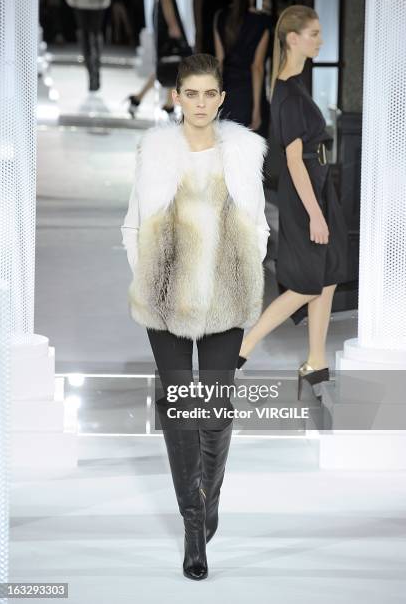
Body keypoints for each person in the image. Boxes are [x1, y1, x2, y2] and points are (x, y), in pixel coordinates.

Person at [121, 53, 270, 580]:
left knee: (214, 407)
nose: (201, 104)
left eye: (211, 94)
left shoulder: (245, 152)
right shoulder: (156, 151)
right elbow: (132, 222)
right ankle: (192, 525)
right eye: (192, 94)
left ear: (222, 98)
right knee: (180, 408)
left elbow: (258, 226)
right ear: (177, 97)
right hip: (166, 298)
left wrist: (246, 270)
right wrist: (149, 278)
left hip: (226, 297)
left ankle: (210, 496)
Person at [236, 5, 349, 398]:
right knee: (304, 285)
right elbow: (292, 162)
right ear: (293, 39)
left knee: (328, 277)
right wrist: (316, 214)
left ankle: (316, 362)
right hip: (307, 196)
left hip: (319, 189)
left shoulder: (294, 85)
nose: (320, 39)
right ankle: (241, 351)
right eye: (314, 33)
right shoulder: (286, 91)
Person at [213, 0, 272, 136]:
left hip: (226, 93)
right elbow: (257, 67)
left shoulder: (220, 16)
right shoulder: (262, 22)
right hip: (250, 96)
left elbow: (219, 61)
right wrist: (257, 111)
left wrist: (213, 100)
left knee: (226, 149)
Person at [66, 0, 111, 92]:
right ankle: (94, 70)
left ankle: (92, 72)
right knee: (93, 34)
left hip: (82, 0)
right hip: (94, 0)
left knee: (86, 36)